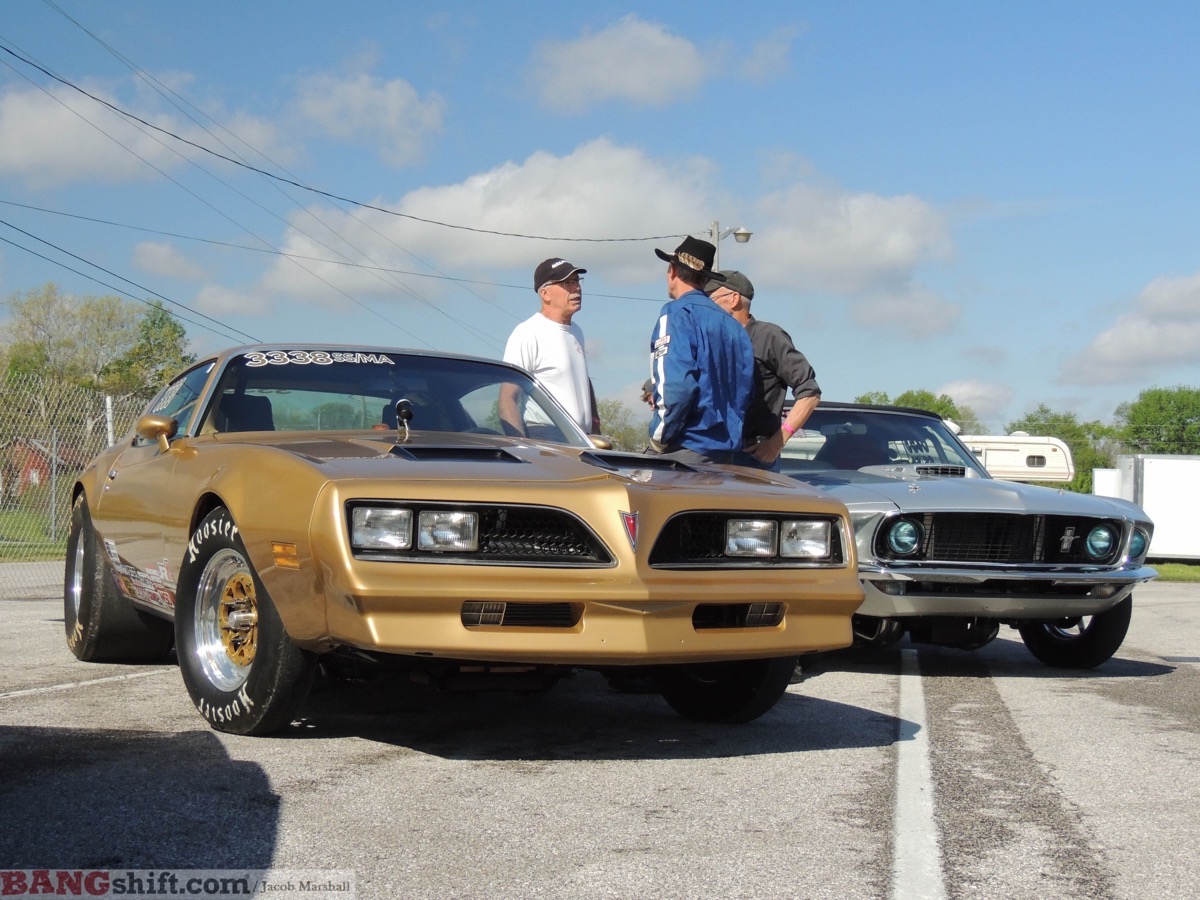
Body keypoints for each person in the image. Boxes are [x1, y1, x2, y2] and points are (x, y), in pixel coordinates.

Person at [646, 236, 756, 465]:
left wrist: (659, 437)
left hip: (685, 451)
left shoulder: (676, 314)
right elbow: (746, 391)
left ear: (673, 270)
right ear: (705, 279)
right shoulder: (735, 327)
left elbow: (676, 387)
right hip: (727, 456)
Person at [706, 270, 821, 469]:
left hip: (754, 457)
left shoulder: (769, 336)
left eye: (711, 299)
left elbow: (809, 392)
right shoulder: (713, 343)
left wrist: (777, 442)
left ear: (734, 299)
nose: (706, 307)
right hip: (714, 453)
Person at [500, 257, 600, 436]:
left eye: (577, 281)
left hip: (582, 439)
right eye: (567, 283)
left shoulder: (576, 331)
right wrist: (522, 449)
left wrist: (595, 427)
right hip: (546, 437)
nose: (577, 288)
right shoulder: (527, 333)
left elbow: (583, 380)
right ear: (545, 294)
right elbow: (508, 397)